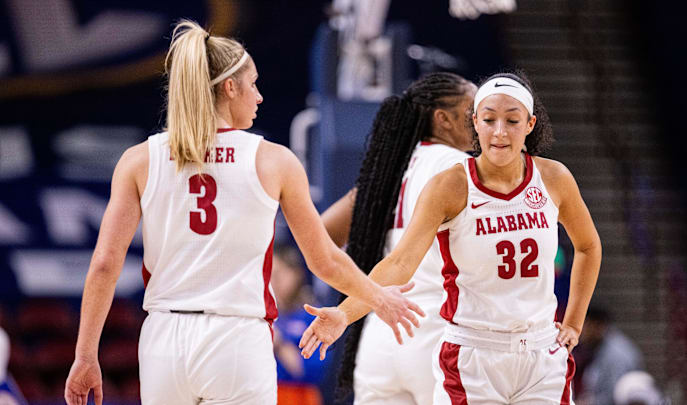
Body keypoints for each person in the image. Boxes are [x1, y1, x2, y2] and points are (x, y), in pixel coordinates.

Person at [63, 20, 423, 405]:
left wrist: (85, 354)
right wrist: (380, 298)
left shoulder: (138, 160)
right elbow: (324, 260)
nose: (260, 96)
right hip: (236, 338)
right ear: (229, 88)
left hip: (163, 338)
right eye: (253, 84)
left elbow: (104, 264)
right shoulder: (273, 160)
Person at [301, 70, 602, 404]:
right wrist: (344, 313)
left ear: (529, 124)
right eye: (487, 118)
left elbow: (588, 245)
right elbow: (400, 262)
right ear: (473, 121)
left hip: (526, 349)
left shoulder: (394, 166)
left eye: (512, 121)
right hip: (452, 336)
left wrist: (573, 323)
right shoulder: (452, 175)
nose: (499, 131)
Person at [320, 71, 478, 404]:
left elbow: (321, 235)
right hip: (439, 333)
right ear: (443, 119)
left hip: (381, 332)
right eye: (472, 110)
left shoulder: (388, 171)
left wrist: (358, 290)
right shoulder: (462, 169)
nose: (481, 121)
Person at [271, 245, 326, 405]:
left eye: (278, 275)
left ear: (296, 274)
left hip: (300, 396)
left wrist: (280, 343)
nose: (273, 283)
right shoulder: (261, 314)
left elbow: (311, 371)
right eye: (268, 276)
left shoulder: (311, 315)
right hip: (266, 393)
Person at [574, 306, 644, 405]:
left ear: (596, 325)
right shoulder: (600, 348)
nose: (580, 332)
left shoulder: (616, 355)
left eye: (583, 325)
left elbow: (615, 397)